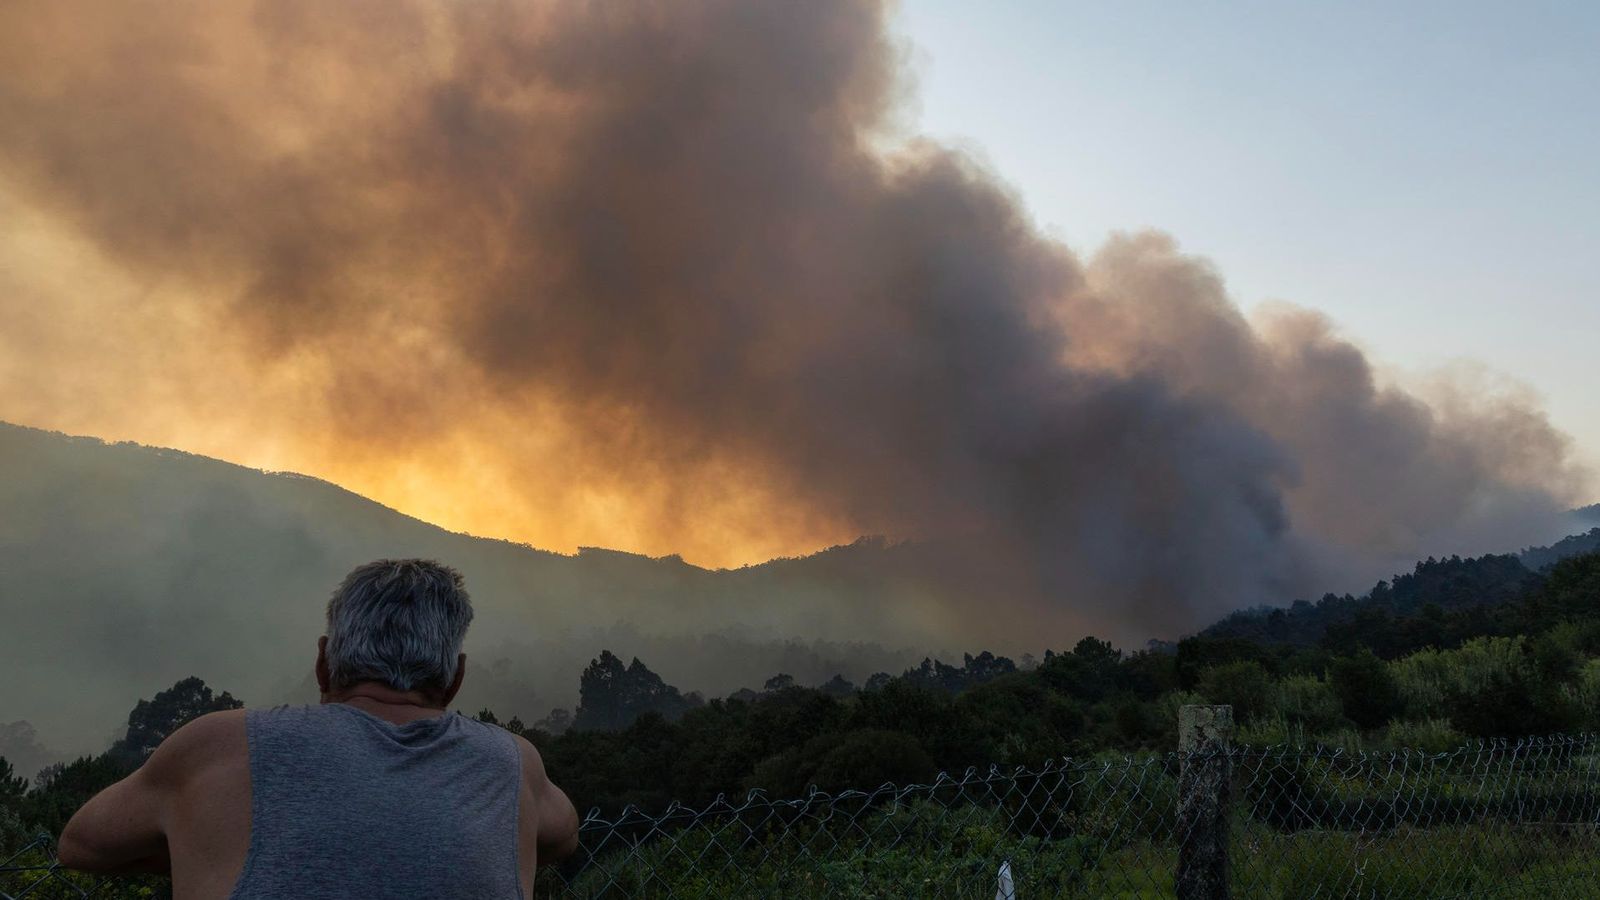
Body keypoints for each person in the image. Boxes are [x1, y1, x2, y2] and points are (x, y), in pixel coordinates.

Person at [57, 558, 579, 898]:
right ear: (455, 679)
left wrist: (204, 842)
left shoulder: (217, 746)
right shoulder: (511, 764)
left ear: (324, 663)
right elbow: (562, 837)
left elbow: (80, 845)